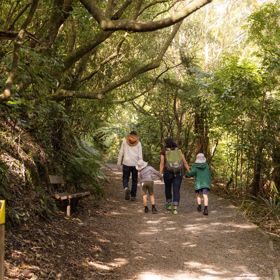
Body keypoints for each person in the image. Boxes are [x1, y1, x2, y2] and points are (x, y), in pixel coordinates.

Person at [160, 138, 189, 215]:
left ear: (166, 143)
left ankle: (169, 205)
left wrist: (160, 173)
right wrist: (189, 172)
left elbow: (162, 163)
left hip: (168, 173)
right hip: (178, 173)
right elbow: (185, 162)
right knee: (176, 190)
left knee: (168, 188)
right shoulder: (179, 150)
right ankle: (175, 208)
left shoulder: (164, 151)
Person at [117, 131, 143, 201]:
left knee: (125, 178)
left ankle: (126, 188)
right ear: (136, 136)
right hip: (135, 164)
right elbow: (140, 156)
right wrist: (141, 166)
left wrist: (119, 163)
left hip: (126, 163)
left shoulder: (125, 141)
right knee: (134, 180)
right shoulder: (138, 143)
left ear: (129, 135)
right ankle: (133, 196)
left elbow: (121, 152)